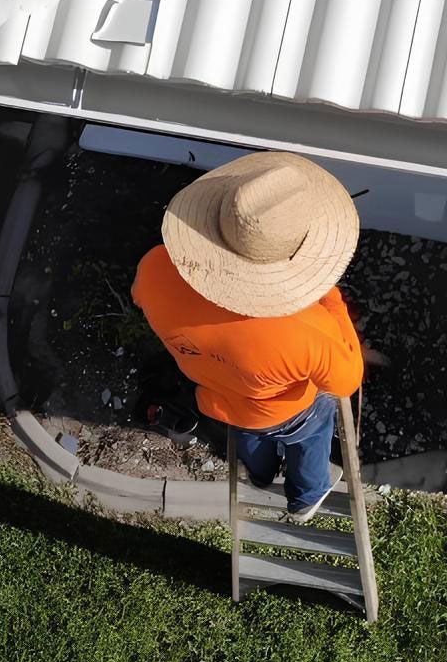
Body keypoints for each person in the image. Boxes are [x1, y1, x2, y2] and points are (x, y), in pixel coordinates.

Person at [131, 150, 364, 522]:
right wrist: (332, 300)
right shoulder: (306, 330)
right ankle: (306, 497)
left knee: (249, 430)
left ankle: (259, 474)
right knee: (314, 427)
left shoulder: (156, 267)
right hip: (281, 410)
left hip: (217, 396)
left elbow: (142, 296)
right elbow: (345, 382)